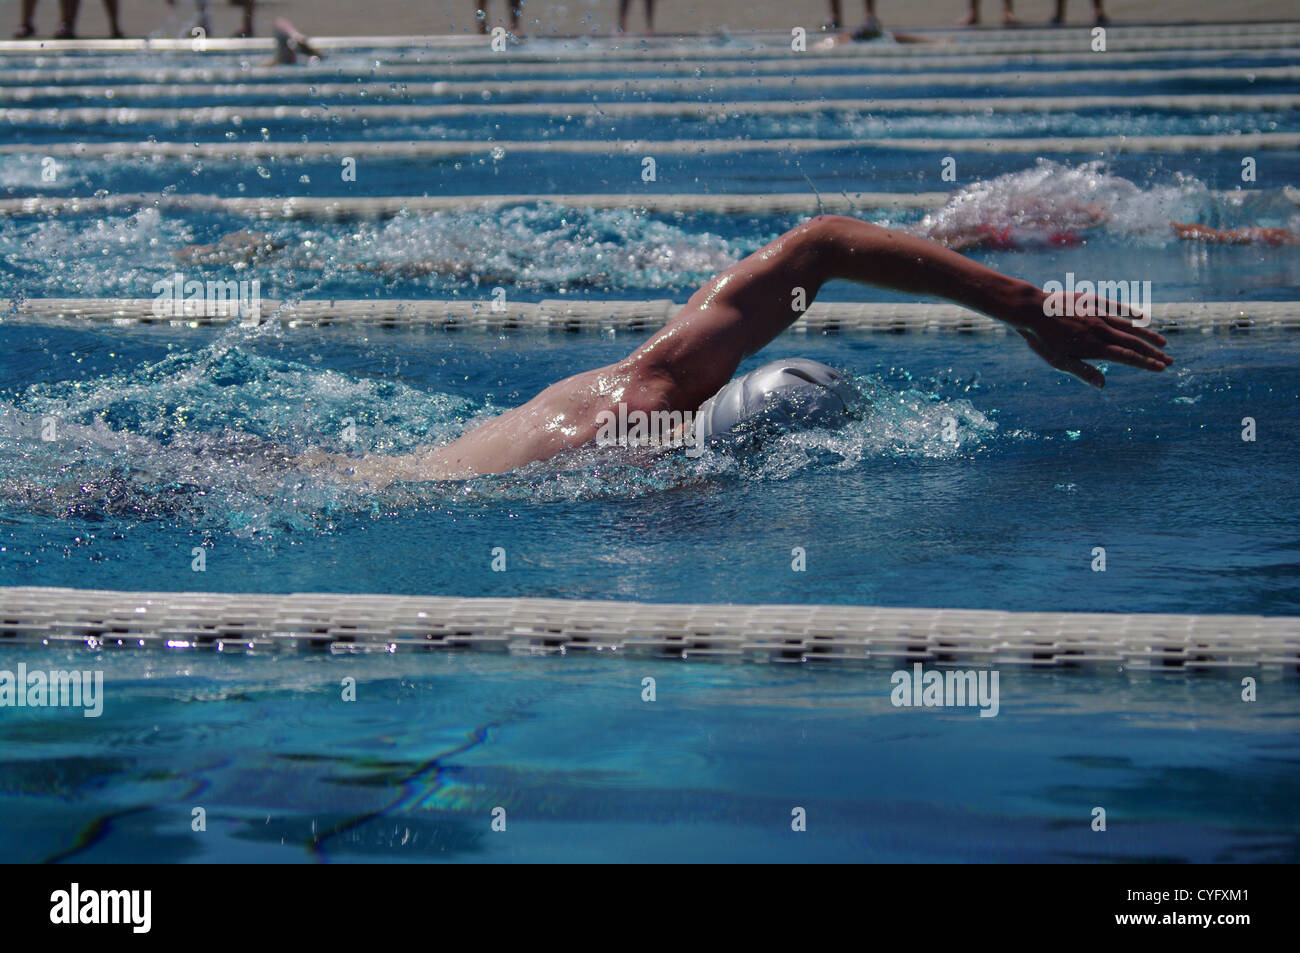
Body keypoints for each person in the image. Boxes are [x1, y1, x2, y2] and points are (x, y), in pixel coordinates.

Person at [298, 215, 1171, 485]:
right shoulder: (641, 411)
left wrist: (1025, 306)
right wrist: (1023, 304)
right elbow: (820, 242)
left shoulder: (682, 384)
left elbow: (820, 247)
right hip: (332, 484)